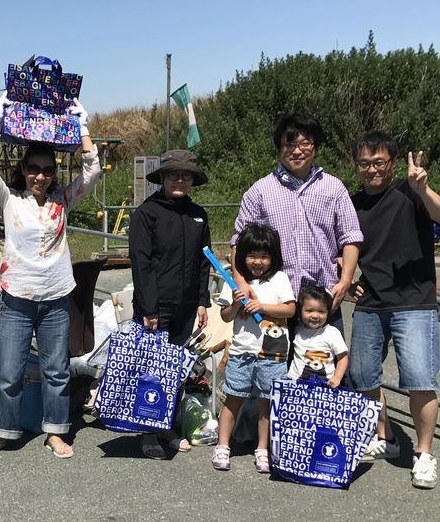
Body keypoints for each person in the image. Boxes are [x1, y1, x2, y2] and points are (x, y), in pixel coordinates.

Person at [0, 92, 99, 459]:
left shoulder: (63, 200)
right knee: (8, 370)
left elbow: (91, 171)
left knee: (56, 370)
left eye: (47, 170)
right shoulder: (9, 199)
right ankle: (2, 431)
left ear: (54, 173)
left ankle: (56, 431)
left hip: (56, 296)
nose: (40, 176)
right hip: (17, 297)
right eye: (33, 169)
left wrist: (82, 126)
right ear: (24, 170)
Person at [346, 132, 440, 489]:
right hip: (371, 302)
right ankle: (386, 437)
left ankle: (423, 454)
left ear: (391, 163)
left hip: (415, 302)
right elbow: (343, 247)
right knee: (363, 377)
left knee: (420, 379)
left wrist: (423, 188)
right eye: (364, 163)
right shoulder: (352, 203)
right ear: (356, 166)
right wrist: (348, 279)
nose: (371, 169)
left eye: (379, 162)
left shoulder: (411, 192)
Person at [231, 113, 364, 332]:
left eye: (304, 143)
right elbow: (238, 240)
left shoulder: (334, 188)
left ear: (315, 146)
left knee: (325, 355)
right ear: (279, 148)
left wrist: (345, 281)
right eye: (289, 144)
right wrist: (240, 282)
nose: (297, 150)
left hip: (321, 300)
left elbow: (350, 237)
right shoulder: (259, 191)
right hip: (273, 302)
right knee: (273, 356)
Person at [129, 149, 212, 458]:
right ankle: (148, 431)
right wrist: (149, 307)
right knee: (152, 369)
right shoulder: (147, 213)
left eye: (186, 176)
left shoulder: (198, 215)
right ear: (162, 178)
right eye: (174, 175)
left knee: (175, 369)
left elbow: (204, 262)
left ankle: (166, 426)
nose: (180, 180)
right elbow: (141, 263)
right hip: (156, 306)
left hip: (186, 305)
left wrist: (202, 301)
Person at [213, 224, 295, 473]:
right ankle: (222, 445)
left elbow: (290, 309)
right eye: (251, 256)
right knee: (232, 398)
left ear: (273, 257)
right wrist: (237, 304)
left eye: (264, 256)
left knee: (266, 403)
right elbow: (226, 316)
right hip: (241, 352)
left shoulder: (279, 279)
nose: (258, 262)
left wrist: (262, 307)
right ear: (242, 256)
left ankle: (262, 449)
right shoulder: (235, 283)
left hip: (273, 354)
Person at [287, 283, 348, 388]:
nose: (315, 315)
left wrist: (337, 377)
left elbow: (343, 357)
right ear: (300, 311)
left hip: (324, 385)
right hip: (295, 383)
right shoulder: (298, 329)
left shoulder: (332, 333)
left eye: (321, 311)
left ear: (328, 312)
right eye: (309, 311)